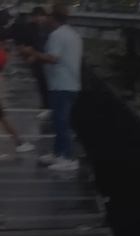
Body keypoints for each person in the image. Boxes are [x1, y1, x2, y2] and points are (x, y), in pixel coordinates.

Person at [24, 4, 83, 171]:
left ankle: (68, 158)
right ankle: (58, 153)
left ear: (53, 18)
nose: (46, 19)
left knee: (61, 123)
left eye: (49, 16)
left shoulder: (57, 35)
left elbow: (53, 58)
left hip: (61, 85)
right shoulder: (73, 34)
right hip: (70, 84)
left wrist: (33, 53)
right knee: (59, 122)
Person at [0, 35, 35, 154]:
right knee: (2, 117)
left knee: (2, 117)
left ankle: (19, 142)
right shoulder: (3, 55)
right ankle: (19, 142)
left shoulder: (2, 55)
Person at [19, 7, 49, 118]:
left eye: (41, 16)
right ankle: (45, 107)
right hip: (38, 62)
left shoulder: (49, 28)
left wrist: (33, 55)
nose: (39, 19)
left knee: (47, 85)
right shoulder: (28, 28)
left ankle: (47, 107)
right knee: (41, 84)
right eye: (36, 16)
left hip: (47, 60)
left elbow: (48, 45)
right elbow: (23, 46)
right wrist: (27, 53)